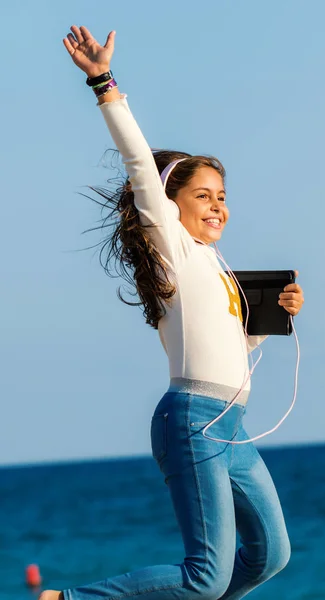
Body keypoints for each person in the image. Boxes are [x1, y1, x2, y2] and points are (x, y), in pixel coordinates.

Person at [40, 24, 305, 600]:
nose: (218, 206)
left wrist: (273, 320)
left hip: (228, 425)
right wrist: (104, 83)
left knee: (269, 557)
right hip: (192, 418)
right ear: (171, 204)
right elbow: (138, 161)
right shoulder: (173, 248)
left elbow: (233, 347)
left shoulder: (217, 268)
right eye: (204, 195)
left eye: (223, 196)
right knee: (205, 579)